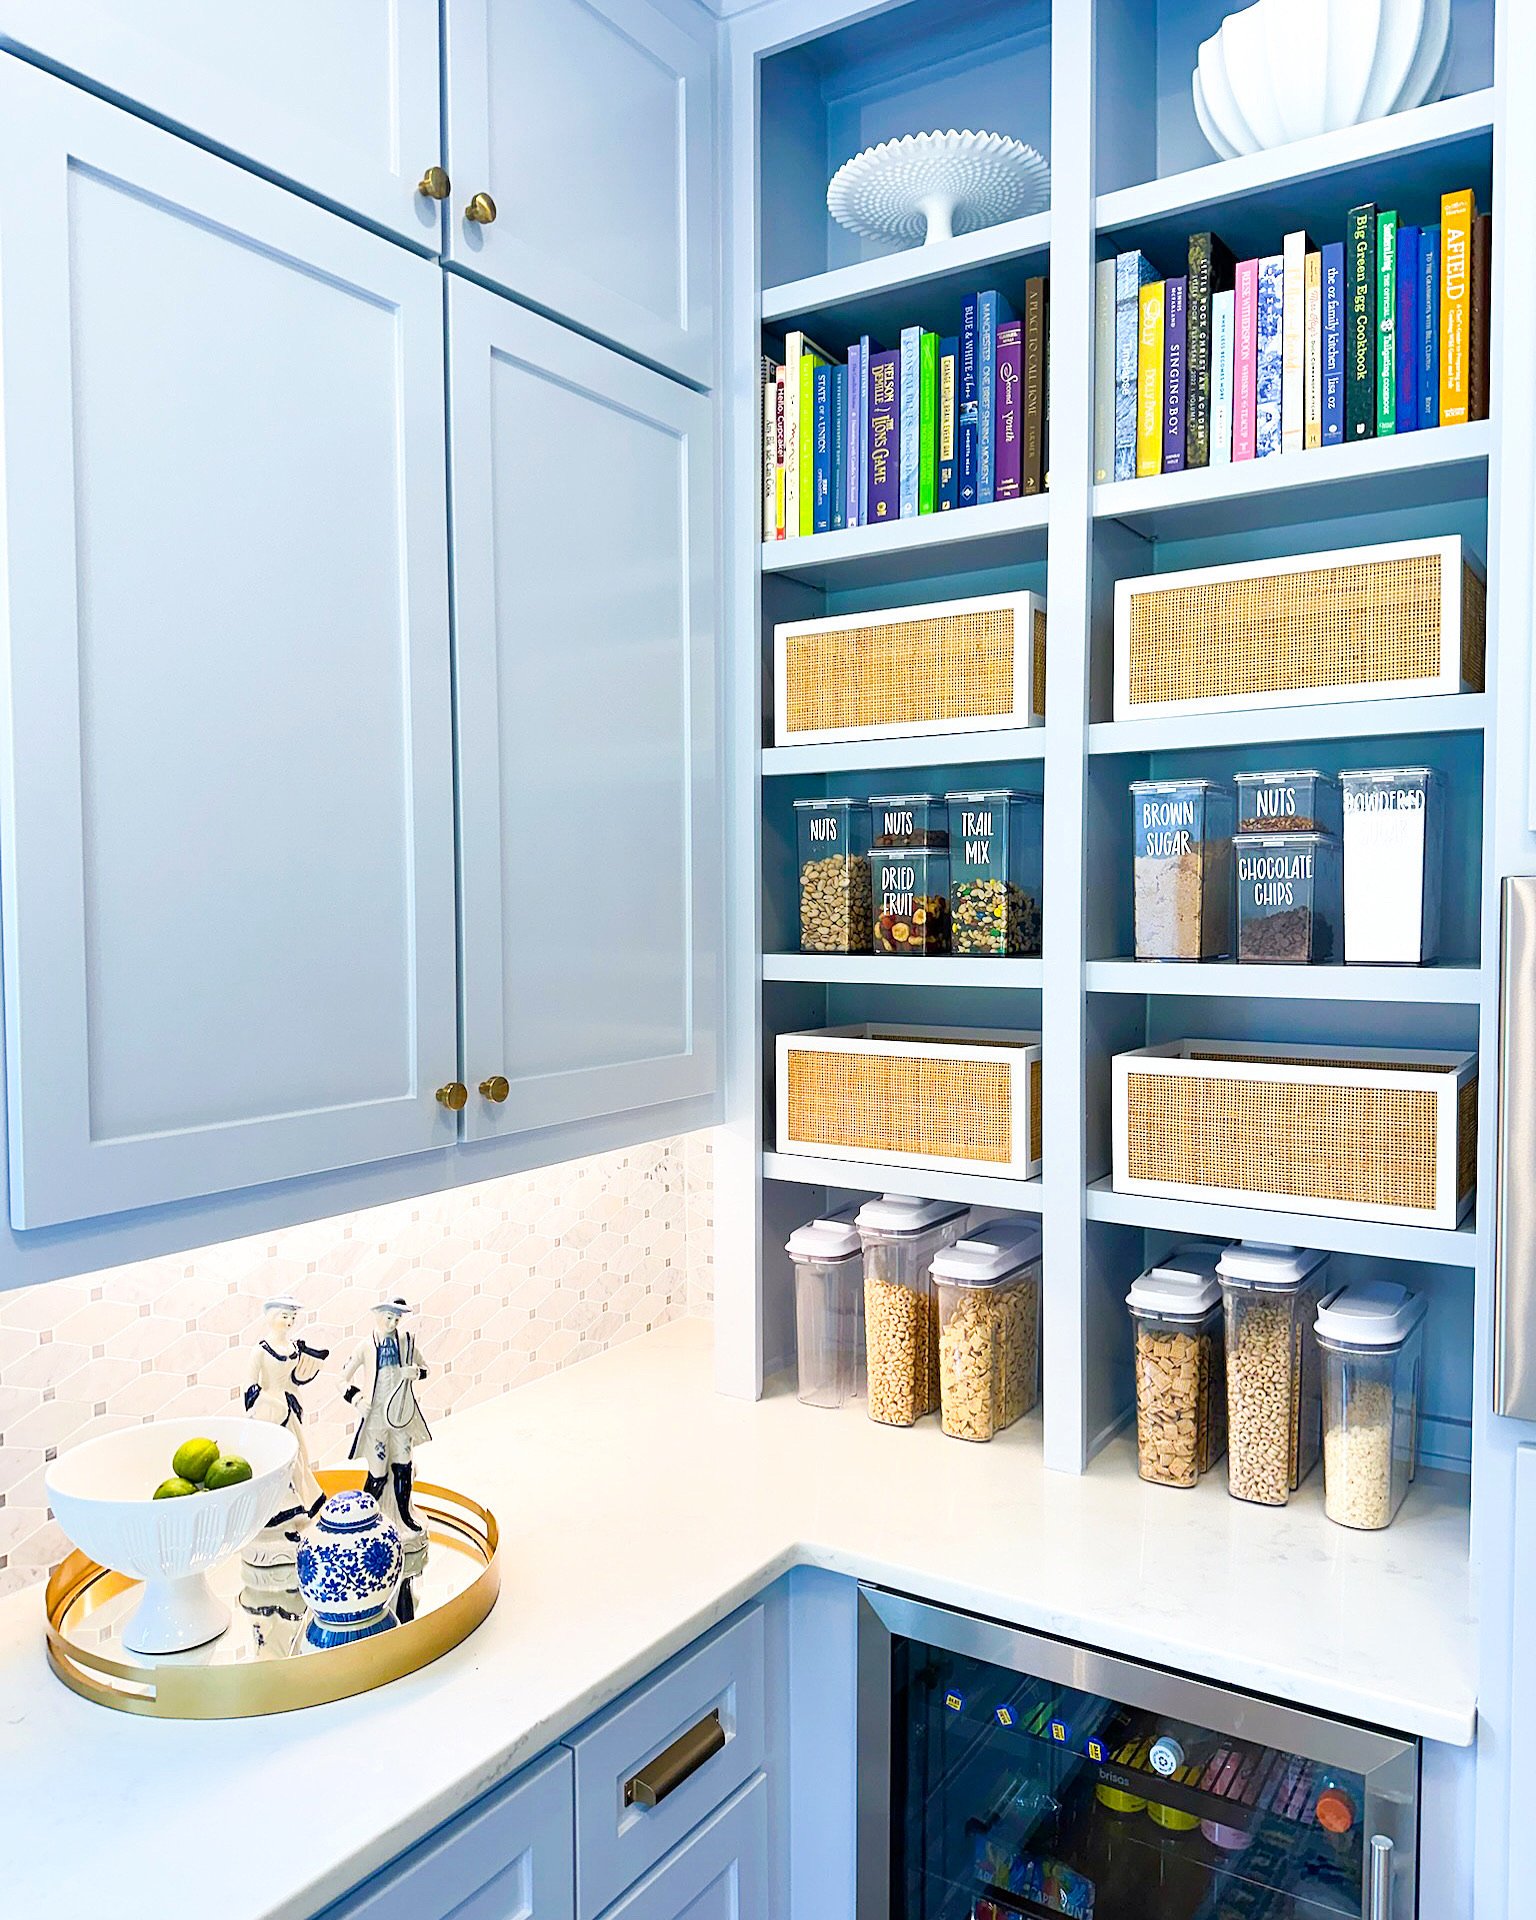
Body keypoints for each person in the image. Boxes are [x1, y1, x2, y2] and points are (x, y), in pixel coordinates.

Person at [241, 1296, 328, 1574]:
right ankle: (281, 1521)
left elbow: (296, 1377)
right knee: (278, 1466)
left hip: (291, 1407)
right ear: (270, 1316)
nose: (289, 1321)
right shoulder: (260, 1352)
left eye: (292, 1317)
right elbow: (250, 1390)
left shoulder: (292, 1347)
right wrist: (270, 1403)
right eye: (284, 1316)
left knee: (300, 1460)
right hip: (271, 1413)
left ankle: (301, 1513)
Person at [341, 1298, 432, 1544]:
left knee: (404, 1465)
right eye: (388, 1318)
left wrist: (416, 1373)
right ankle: (365, 1517)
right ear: (377, 1315)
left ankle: (405, 1516)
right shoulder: (365, 1347)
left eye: (396, 1319)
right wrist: (357, 1399)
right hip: (376, 1419)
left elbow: (426, 1369)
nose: (392, 1323)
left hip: (401, 1415)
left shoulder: (406, 1343)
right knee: (378, 1472)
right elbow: (342, 1379)